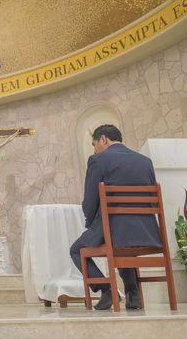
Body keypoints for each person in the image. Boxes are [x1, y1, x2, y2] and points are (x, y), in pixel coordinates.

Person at [70, 125, 163, 310]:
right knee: (120, 241)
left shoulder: (98, 160)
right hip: (148, 232)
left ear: (104, 139)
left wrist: (91, 225)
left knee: (76, 249)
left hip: (115, 229)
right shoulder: (145, 161)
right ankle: (132, 293)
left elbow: (89, 202)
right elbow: (152, 204)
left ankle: (107, 290)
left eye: (94, 144)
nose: (94, 149)